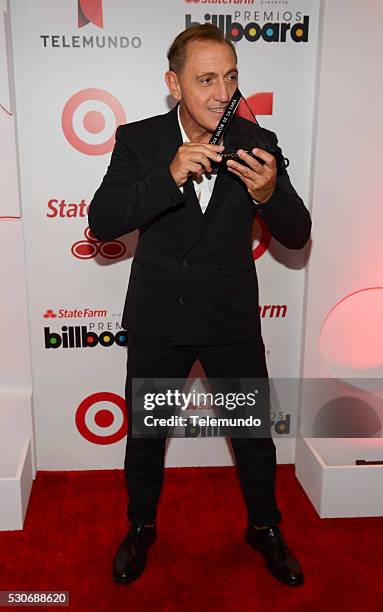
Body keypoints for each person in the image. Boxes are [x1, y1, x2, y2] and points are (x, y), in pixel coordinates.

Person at [88, 24, 311, 587]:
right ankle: (140, 527)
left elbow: (298, 231)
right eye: (206, 78)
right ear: (174, 83)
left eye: (230, 77)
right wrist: (167, 176)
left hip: (229, 321)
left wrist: (268, 194)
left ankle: (264, 527)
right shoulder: (140, 141)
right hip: (160, 321)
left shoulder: (256, 141)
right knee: (146, 438)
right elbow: (102, 220)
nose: (221, 91)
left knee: (253, 438)